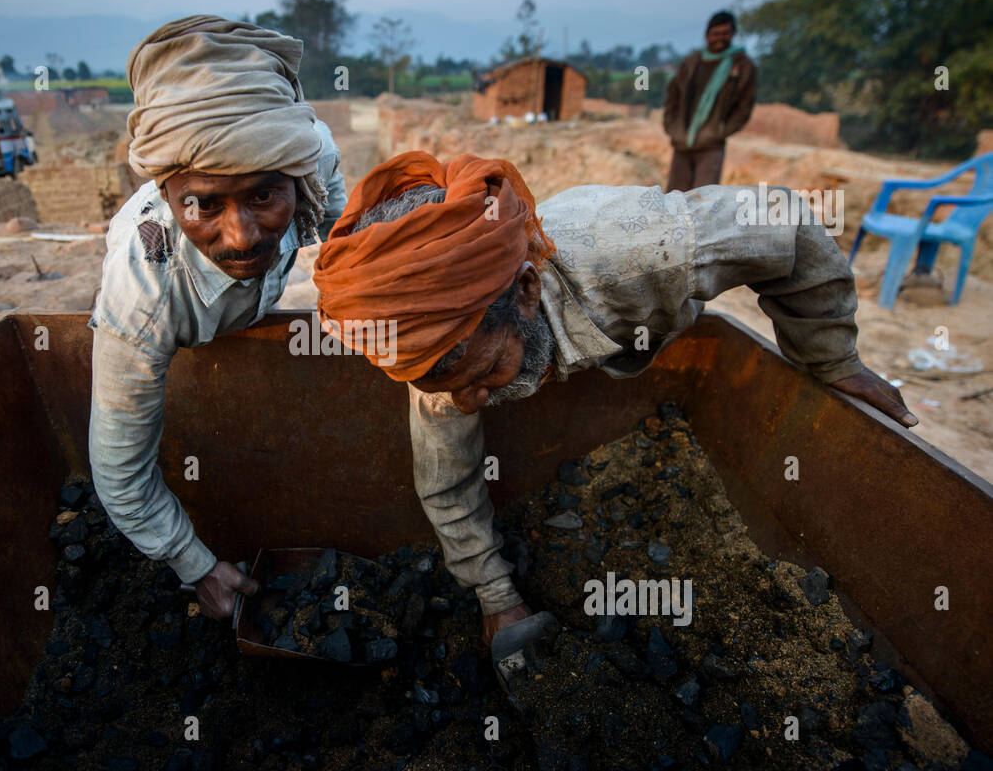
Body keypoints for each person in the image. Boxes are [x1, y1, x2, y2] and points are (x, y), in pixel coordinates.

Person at [312, 150, 916, 671]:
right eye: (448, 385)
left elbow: (786, 222)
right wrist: (498, 599)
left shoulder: (640, 250)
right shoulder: (435, 350)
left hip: (628, 288)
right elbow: (448, 483)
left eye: (484, 376)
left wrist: (833, 359)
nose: (470, 403)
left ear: (525, 290)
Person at [89, 15, 347, 620]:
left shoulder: (314, 160)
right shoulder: (143, 302)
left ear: (295, 178)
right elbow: (121, 479)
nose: (241, 236)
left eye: (263, 195)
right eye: (202, 204)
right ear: (169, 194)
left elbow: (341, 237)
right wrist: (198, 566)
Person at [663, 11, 757, 192]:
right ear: (707, 35)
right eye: (716, 34)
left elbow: (744, 107)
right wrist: (673, 128)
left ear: (732, 35)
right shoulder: (691, 63)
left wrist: (720, 131)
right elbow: (673, 95)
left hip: (711, 146)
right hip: (682, 142)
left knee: (703, 202)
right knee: (674, 200)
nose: (720, 38)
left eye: (725, 34)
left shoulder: (742, 66)